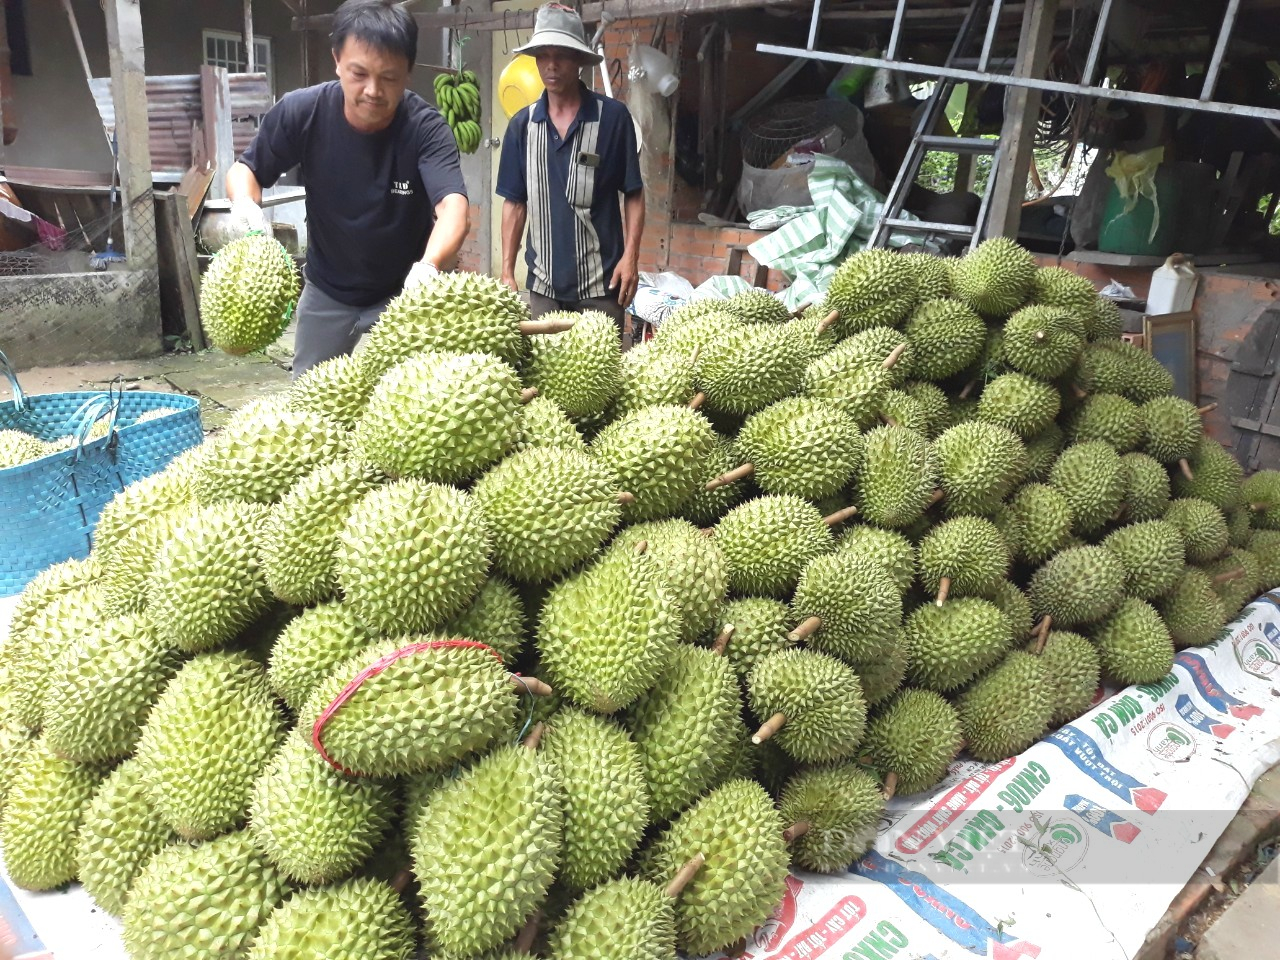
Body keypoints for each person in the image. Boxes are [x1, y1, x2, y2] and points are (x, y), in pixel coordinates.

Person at [226, 0, 470, 377]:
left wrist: (429, 266)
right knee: (308, 405)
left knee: (412, 404)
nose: (373, 90)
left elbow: (453, 207)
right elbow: (247, 169)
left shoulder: (426, 128)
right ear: (337, 59)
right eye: (359, 73)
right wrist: (245, 207)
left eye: (389, 77)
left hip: (405, 293)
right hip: (327, 290)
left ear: (408, 73)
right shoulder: (301, 112)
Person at [496, 3, 644, 344]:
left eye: (561, 54)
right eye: (542, 55)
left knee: (602, 386)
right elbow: (514, 203)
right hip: (544, 287)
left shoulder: (612, 119)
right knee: (547, 381)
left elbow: (633, 192)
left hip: (602, 285)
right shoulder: (522, 126)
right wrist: (506, 270)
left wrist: (631, 257)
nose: (551, 65)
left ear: (578, 60)